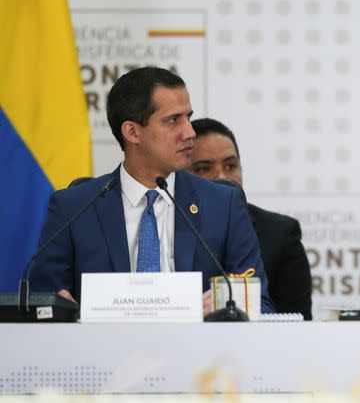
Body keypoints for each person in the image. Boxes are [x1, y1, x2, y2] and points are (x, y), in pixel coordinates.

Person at [30, 67, 275, 315]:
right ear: (133, 132)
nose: (189, 132)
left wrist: (226, 308)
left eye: (188, 117)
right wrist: (59, 309)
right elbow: (38, 301)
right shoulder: (73, 207)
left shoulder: (223, 205)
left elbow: (260, 305)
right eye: (173, 120)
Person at [188, 118, 313, 320]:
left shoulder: (281, 234)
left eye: (230, 166)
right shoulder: (171, 226)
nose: (221, 176)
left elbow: (299, 321)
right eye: (203, 168)